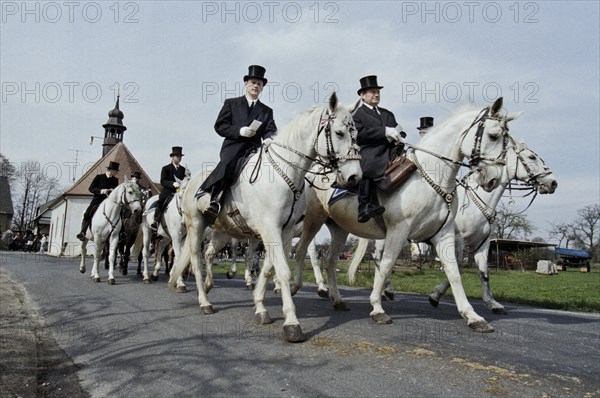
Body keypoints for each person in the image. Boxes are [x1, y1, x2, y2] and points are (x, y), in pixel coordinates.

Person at [199, 65, 277, 225]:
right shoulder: (231, 103)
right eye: (253, 82)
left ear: (262, 88)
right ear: (246, 84)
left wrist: (269, 139)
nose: (256, 86)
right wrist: (239, 131)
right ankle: (216, 199)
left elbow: (270, 129)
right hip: (233, 146)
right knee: (228, 162)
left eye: (259, 84)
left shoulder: (266, 111)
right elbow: (219, 126)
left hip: (254, 149)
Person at [353, 75, 406, 223]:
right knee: (369, 165)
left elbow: (397, 129)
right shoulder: (357, 115)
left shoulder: (387, 113)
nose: (376, 94)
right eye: (372, 92)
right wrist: (384, 132)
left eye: (378, 92)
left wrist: (400, 136)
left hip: (391, 151)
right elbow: (360, 134)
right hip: (370, 151)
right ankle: (363, 206)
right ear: (362, 95)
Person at [77, 161, 120, 241]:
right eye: (116, 171)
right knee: (87, 213)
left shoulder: (115, 180)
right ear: (111, 170)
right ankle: (83, 232)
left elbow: (116, 192)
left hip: (109, 203)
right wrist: (101, 191)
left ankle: (120, 233)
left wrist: (112, 190)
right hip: (98, 201)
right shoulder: (99, 177)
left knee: (119, 214)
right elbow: (91, 188)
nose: (117, 173)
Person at [151, 147, 186, 231]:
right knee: (161, 201)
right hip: (169, 191)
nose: (179, 158)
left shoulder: (183, 169)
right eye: (177, 156)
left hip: (180, 191)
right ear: (172, 157)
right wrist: (172, 184)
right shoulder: (166, 168)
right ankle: (156, 221)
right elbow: (163, 181)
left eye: (180, 156)